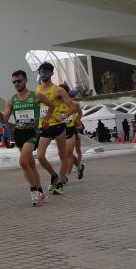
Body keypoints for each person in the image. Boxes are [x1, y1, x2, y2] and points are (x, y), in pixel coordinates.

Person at [0, 70, 51, 206]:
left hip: (32, 133)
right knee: (30, 164)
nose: (17, 84)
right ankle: (41, 192)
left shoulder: (36, 95)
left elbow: (52, 106)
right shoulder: (11, 100)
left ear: (25, 80)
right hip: (19, 134)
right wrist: (0, 117)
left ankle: (33, 192)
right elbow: (6, 119)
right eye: (14, 82)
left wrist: (46, 120)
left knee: (22, 162)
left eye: (19, 81)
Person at [34, 62, 76, 195]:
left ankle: (60, 183)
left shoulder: (58, 90)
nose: (43, 74)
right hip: (44, 125)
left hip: (57, 125)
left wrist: (62, 117)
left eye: (46, 72)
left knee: (62, 154)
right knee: (40, 156)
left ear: (52, 73)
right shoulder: (37, 90)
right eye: (40, 72)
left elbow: (72, 107)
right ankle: (54, 175)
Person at [58, 83, 84, 182]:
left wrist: (77, 119)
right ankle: (79, 166)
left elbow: (80, 112)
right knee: (63, 153)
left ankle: (66, 176)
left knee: (68, 153)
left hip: (71, 129)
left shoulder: (74, 104)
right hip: (60, 130)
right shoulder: (55, 104)